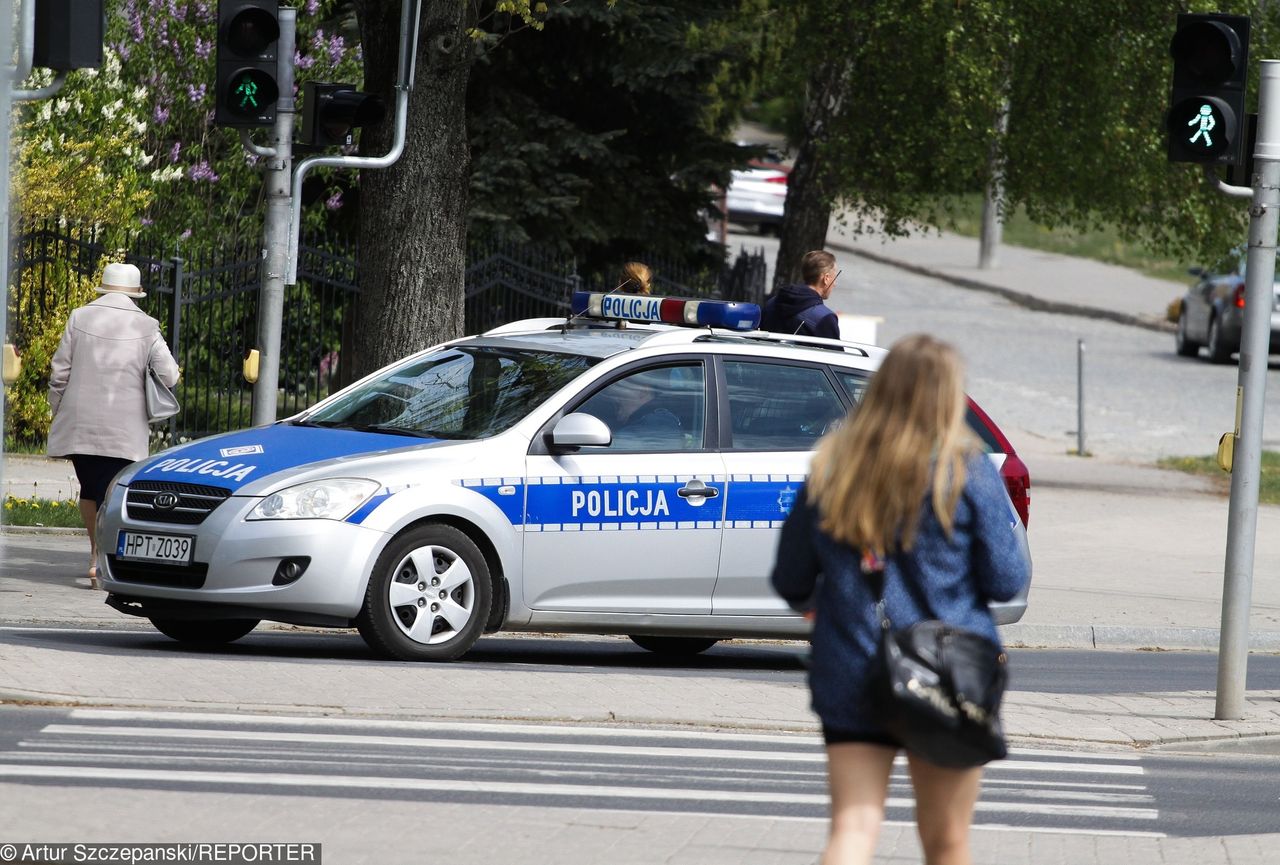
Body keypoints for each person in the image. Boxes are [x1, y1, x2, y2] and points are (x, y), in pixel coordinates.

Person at [770, 334, 1028, 865]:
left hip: (853, 664)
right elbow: (1006, 579)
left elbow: (790, 579)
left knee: (853, 829)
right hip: (949, 673)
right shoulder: (967, 469)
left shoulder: (832, 468)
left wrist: (830, 600)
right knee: (947, 841)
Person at [47, 262, 180, 590]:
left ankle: (94, 555)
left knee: (90, 488)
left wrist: (57, 408)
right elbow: (170, 375)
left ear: (103, 288)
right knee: (113, 491)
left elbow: (59, 371)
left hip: (81, 422)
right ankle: (103, 560)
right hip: (125, 427)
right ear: (136, 293)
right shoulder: (147, 325)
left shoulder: (80, 317)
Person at [761, 249, 841, 338]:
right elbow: (835, 352)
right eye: (834, 277)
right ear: (826, 279)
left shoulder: (771, 303)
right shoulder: (825, 319)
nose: (835, 284)